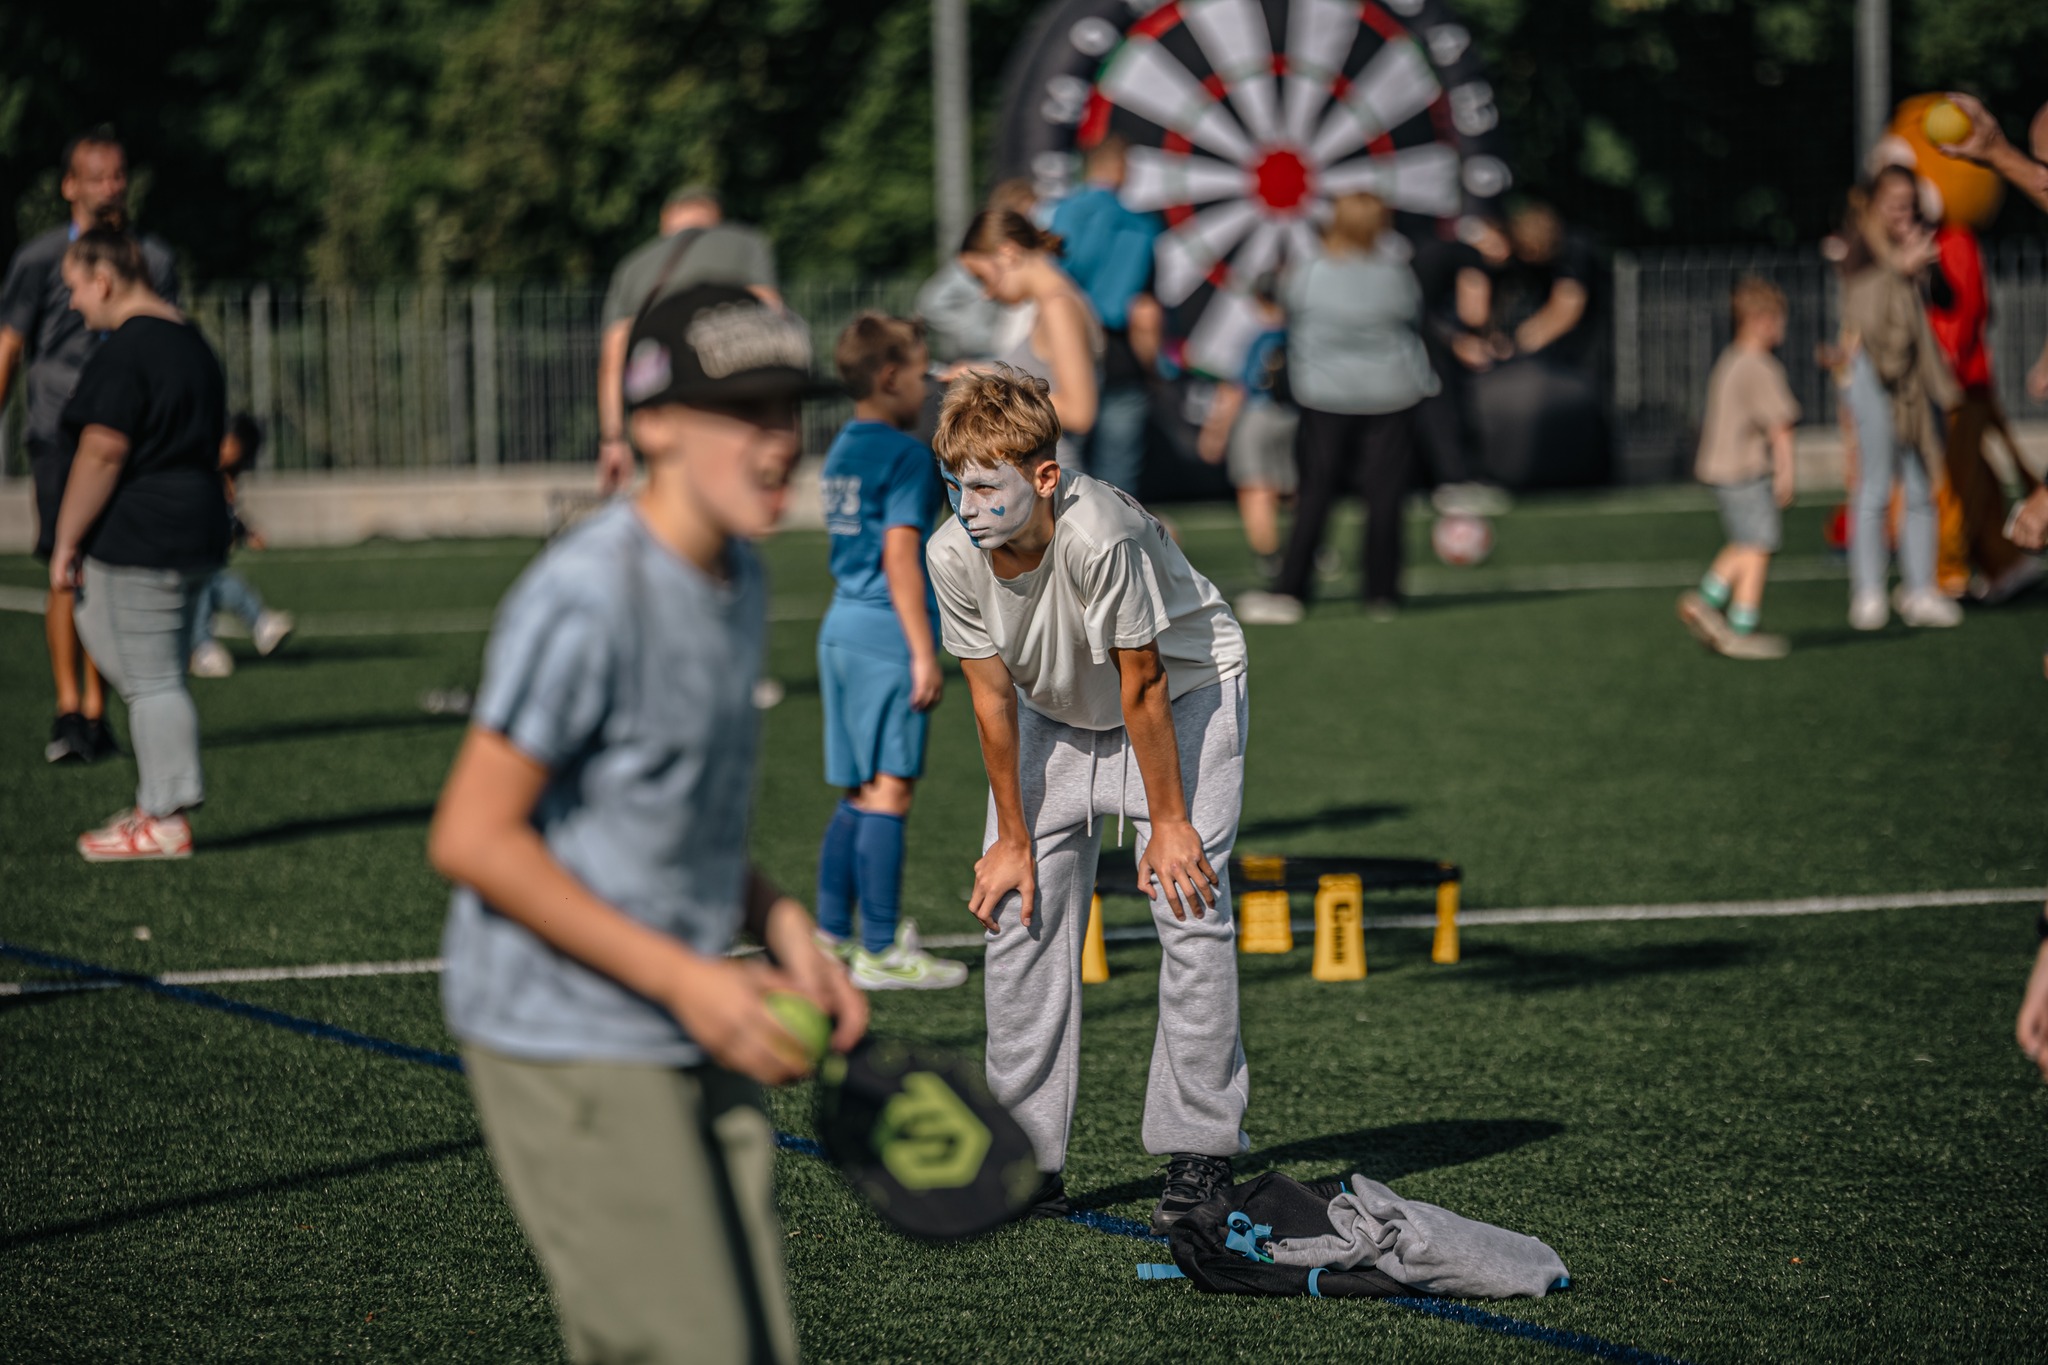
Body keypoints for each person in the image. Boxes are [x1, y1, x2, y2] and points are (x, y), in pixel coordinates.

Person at [428, 283, 865, 1365]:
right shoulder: (589, 595)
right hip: (566, 1031)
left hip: (683, 1007)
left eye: (789, 412)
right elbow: (474, 837)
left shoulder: (742, 578)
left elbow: (674, 813)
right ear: (653, 424)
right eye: (746, 413)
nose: (779, 443)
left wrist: (782, 925)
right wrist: (690, 981)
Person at [926, 366, 1250, 1235]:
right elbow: (990, 698)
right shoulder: (950, 552)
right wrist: (1013, 837)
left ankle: (1200, 1154)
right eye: (955, 483)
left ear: (1042, 476)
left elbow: (1141, 681)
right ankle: (1027, 1160)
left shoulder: (1098, 533)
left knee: (1189, 903)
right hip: (1055, 704)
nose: (969, 504)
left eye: (987, 485)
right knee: (1018, 914)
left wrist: (1169, 823)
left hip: (1181, 694)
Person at [47, 228, 227, 861]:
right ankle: (158, 804)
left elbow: (103, 449)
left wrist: (66, 539)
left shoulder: (129, 349)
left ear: (104, 279)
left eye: (73, 287)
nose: (72, 303)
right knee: (159, 677)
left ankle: (165, 816)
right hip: (198, 527)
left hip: (145, 534)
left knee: (151, 683)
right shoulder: (191, 340)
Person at [0, 127, 178, 764]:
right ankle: (69, 706)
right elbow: (10, 346)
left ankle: (101, 711)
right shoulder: (40, 259)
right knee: (63, 562)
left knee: (109, 569)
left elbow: (170, 341)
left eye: (118, 174)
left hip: (129, 435)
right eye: (97, 176)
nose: (111, 187)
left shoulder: (152, 257)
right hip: (60, 432)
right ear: (69, 186)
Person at [812, 314, 964, 990]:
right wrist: (922, 652)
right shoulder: (908, 457)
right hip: (884, 633)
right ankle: (880, 947)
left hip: (841, 625)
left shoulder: (845, 443)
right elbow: (902, 553)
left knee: (858, 789)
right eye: (922, 370)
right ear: (889, 376)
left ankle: (830, 938)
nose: (929, 381)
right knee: (890, 792)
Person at [1235, 192, 1438, 625]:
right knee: (1385, 494)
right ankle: (1382, 594)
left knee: (1316, 492)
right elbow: (1411, 315)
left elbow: (1284, 311)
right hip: (1393, 391)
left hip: (1326, 395)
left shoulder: (1309, 273)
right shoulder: (1397, 274)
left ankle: (1292, 591)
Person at [1837, 166, 1964, 631]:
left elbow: (1947, 300)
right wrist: (1898, 267)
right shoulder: (1859, 242)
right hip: (1871, 368)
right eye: (1893, 201)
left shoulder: (1920, 241)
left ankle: (1920, 589)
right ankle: (1868, 591)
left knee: (1920, 481)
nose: (1901, 211)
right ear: (1873, 202)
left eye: (1908, 202)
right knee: (1874, 482)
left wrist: (1924, 265)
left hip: (1914, 375)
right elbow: (1859, 306)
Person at [595, 185, 780, 493]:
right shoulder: (746, 244)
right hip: (731, 398)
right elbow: (772, 317)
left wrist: (613, 440)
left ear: (666, 218)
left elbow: (613, 358)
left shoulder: (632, 265)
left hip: (662, 406)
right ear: (716, 217)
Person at [1676, 279, 1800, 661]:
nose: (1782, 329)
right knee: (1759, 546)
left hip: (1719, 469)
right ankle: (1740, 626)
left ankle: (1707, 601)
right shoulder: (1759, 366)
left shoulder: (1730, 358)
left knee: (1746, 542)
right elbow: (1780, 427)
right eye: (1778, 320)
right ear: (1760, 320)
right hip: (1745, 470)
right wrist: (1787, 473)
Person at [1923, 219, 2042, 605]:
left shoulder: (1953, 239)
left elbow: (1966, 307)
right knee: (1983, 475)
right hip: (1952, 382)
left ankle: (1952, 571)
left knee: (1957, 481)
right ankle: (2001, 560)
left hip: (1960, 382)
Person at [1049, 137, 1164, 495]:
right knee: (1119, 479)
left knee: (1064, 466)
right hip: (1119, 353)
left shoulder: (1061, 215)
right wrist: (1154, 365)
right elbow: (1144, 312)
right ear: (1122, 170)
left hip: (1068, 347)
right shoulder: (1140, 227)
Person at [954, 209, 1104, 466]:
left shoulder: (1058, 305)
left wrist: (990, 381)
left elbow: (1080, 412)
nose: (986, 294)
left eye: (982, 278)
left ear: (1008, 252)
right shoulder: (1056, 302)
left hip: (1051, 476)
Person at [1409, 219, 1512, 514]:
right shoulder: (1468, 255)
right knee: (1443, 408)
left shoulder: (1431, 247)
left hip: (1404, 335)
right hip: (1426, 340)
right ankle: (1454, 479)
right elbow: (1474, 313)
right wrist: (1467, 341)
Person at [1196, 282, 1296, 576]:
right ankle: (1310, 546)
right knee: (1293, 485)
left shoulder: (1257, 336)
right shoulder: (1301, 335)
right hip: (1296, 415)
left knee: (1256, 487)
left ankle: (1269, 555)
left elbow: (1236, 388)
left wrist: (1216, 432)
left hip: (1256, 416)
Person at [188, 414, 295, 679]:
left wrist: (245, 532)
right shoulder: (200, 471)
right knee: (205, 584)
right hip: (187, 555)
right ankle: (201, 647)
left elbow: (230, 516)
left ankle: (259, 625)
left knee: (217, 584)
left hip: (204, 555)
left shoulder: (224, 478)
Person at [918, 179, 1040, 365]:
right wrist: (982, 338)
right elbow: (931, 302)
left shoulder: (1055, 304)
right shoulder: (976, 255)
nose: (986, 293)